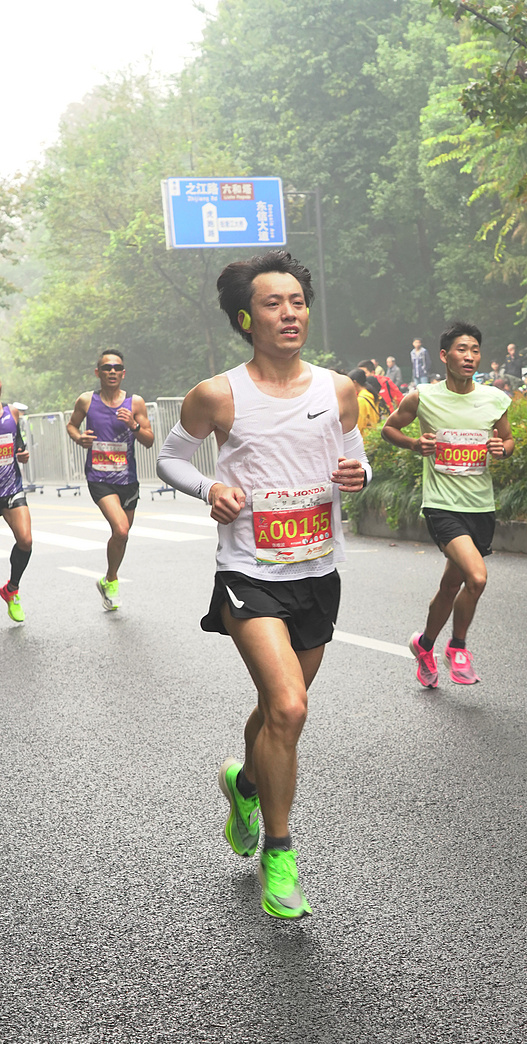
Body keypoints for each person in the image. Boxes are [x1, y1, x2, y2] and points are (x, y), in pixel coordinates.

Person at [156, 249, 370, 919]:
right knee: (290, 708)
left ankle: (246, 783)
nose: (290, 314)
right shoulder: (218, 394)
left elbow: (354, 458)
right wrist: (210, 485)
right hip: (248, 571)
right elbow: (168, 459)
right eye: (274, 304)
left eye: (298, 302)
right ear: (247, 318)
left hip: (316, 570)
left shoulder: (337, 390)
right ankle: (281, 853)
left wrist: (359, 477)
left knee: (282, 707)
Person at [383, 321, 513, 686]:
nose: (469, 356)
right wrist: (414, 444)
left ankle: (424, 645)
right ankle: (457, 647)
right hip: (441, 505)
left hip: (480, 506)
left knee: (450, 587)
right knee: (477, 577)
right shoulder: (423, 396)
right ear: (444, 355)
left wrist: (503, 449)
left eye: (474, 349)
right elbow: (389, 429)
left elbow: (508, 439)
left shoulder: (494, 398)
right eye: (461, 349)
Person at [66, 350, 154, 611]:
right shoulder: (86, 401)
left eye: (117, 367)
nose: (112, 371)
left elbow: (149, 440)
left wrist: (134, 427)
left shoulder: (135, 403)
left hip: (127, 478)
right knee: (121, 529)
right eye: (107, 368)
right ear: (98, 373)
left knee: (122, 537)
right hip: (99, 477)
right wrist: (78, 437)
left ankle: (108, 578)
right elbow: (72, 425)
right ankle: (113, 581)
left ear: (123, 373)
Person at [0, 380, 32, 622]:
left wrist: (23, 454)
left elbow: (18, 447)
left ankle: (11, 590)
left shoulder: (12, 412)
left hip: (11, 488)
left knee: (25, 540)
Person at [349, 367, 380, 434]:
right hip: (372, 435)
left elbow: (360, 423)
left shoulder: (361, 400)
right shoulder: (370, 394)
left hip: (365, 439)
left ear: (354, 382)